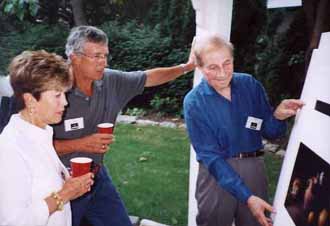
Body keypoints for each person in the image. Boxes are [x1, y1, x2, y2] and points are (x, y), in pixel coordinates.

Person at [52, 25, 195, 226]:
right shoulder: (53, 91)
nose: (103, 62)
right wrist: (80, 144)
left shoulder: (110, 81)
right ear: (74, 57)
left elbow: (149, 77)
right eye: (96, 56)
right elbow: (33, 146)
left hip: (96, 177)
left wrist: (187, 67)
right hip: (61, 184)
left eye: (105, 55)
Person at [183, 34, 304, 226]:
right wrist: (247, 197)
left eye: (227, 63)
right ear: (200, 67)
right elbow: (211, 157)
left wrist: (278, 116)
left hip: (254, 170)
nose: (222, 73)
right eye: (213, 67)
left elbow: (270, 131)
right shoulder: (194, 103)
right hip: (216, 176)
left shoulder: (249, 85)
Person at [0, 50, 94, 225]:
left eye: (65, 94)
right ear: (30, 101)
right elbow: (12, 221)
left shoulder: (41, 133)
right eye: (57, 95)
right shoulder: (10, 148)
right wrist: (64, 194)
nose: (65, 102)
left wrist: (68, 183)